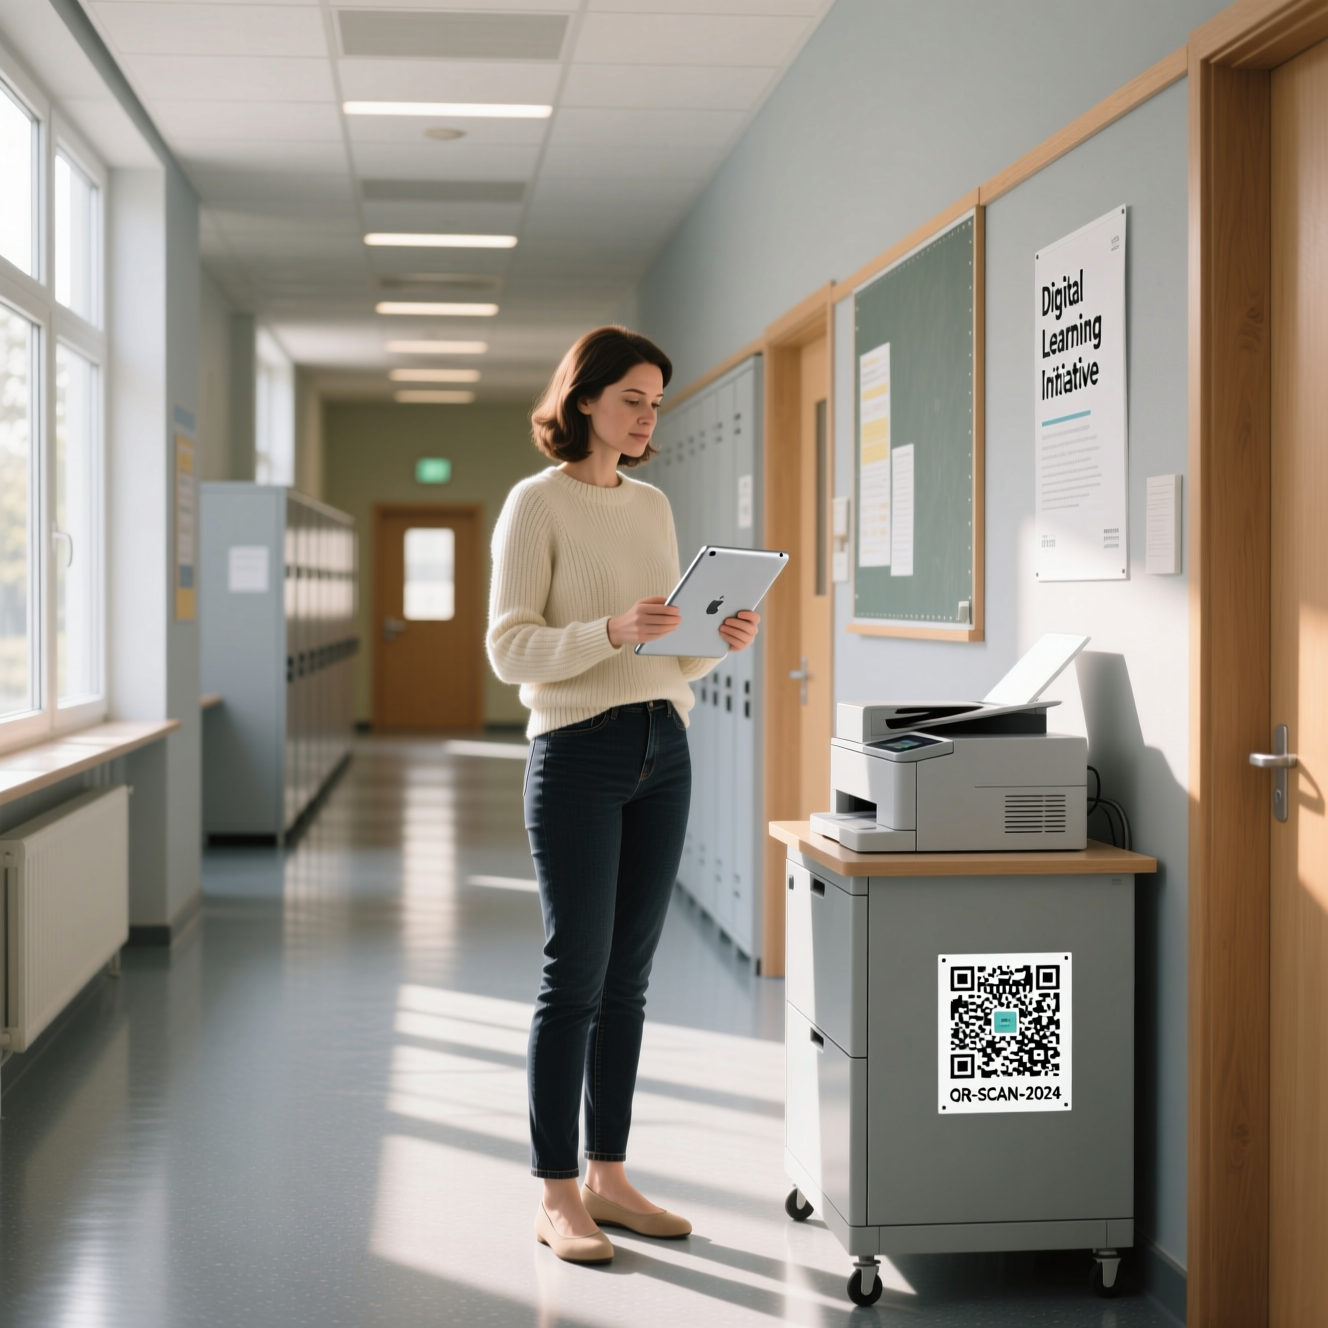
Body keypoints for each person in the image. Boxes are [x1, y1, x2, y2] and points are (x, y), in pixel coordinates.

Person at [487, 326, 761, 1264]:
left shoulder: (652, 507)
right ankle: (556, 1191)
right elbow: (509, 647)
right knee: (577, 973)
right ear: (584, 401)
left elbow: (664, 647)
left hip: (662, 742)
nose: (648, 416)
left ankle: (608, 1174)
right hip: (574, 751)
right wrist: (608, 626)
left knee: (630, 981)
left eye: (655, 401)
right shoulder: (536, 505)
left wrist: (715, 640)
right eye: (632, 399)